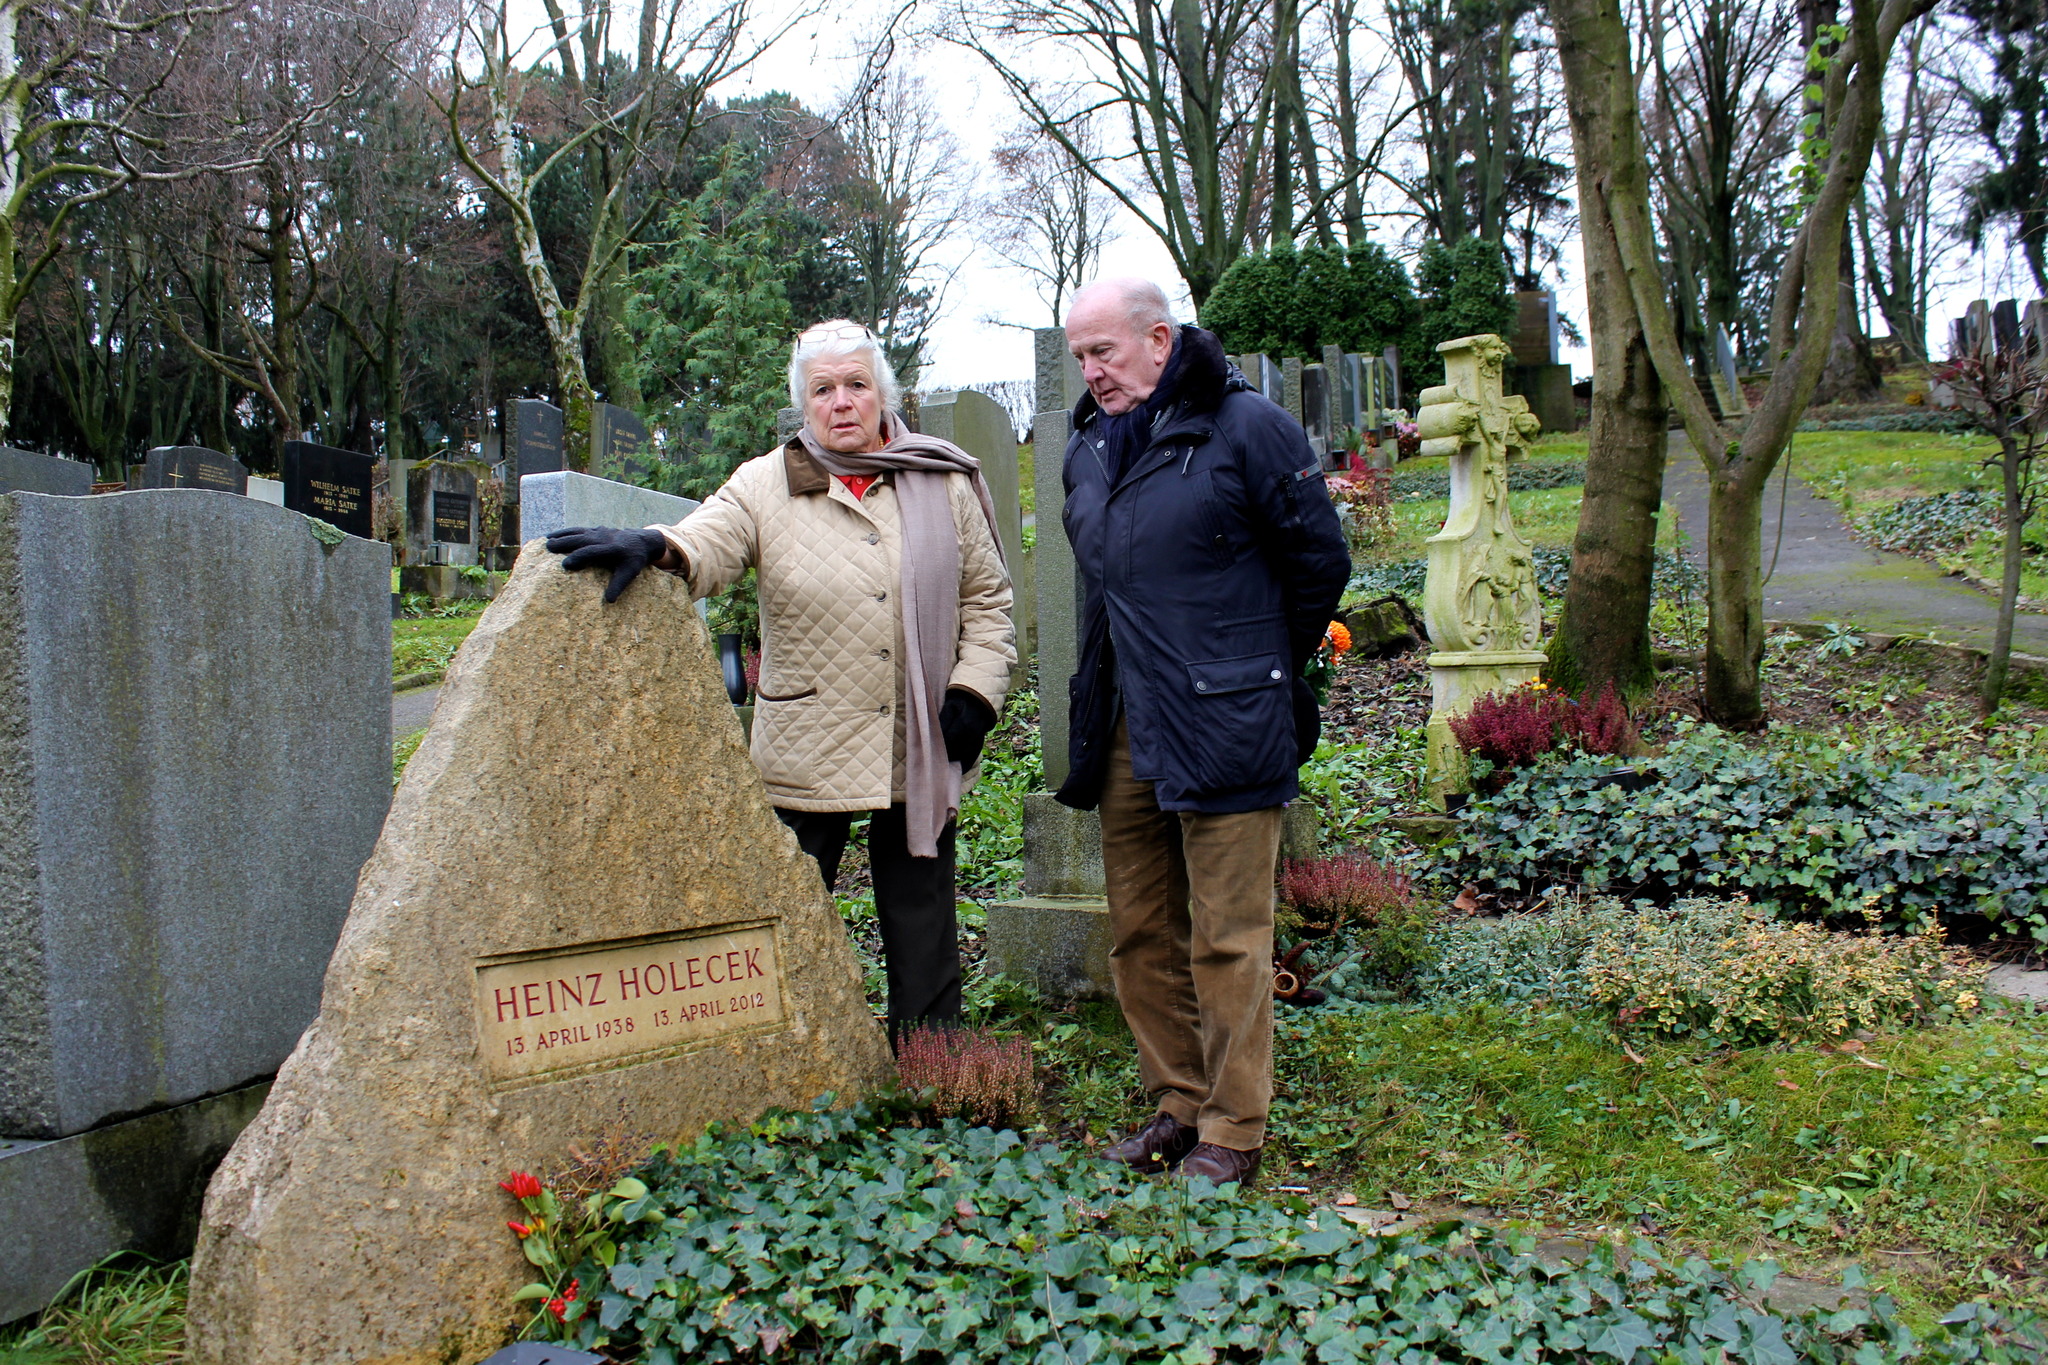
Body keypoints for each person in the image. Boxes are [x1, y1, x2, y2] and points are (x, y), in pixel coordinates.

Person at [545, 319, 1015, 1041]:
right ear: (804, 403)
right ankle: (794, 1062)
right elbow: (711, 536)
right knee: (786, 911)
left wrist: (973, 695)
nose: (842, 402)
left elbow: (987, 600)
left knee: (922, 913)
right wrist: (657, 543)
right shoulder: (766, 483)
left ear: (882, 392)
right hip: (808, 739)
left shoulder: (939, 482)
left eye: (857, 384)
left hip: (915, 734)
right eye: (823, 389)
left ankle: (932, 1071)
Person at [1057, 278, 1349, 1186]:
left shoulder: (1245, 426)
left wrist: (1252, 669)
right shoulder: (1089, 446)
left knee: (1229, 931)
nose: (1091, 372)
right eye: (1079, 357)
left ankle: (1234, 1124)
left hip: (1223, 716)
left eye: (1103, 352)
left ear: (1158, 337)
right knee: (1141, 928)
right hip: (1125, 719)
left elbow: (1318, 562)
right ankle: (1177, 1102)